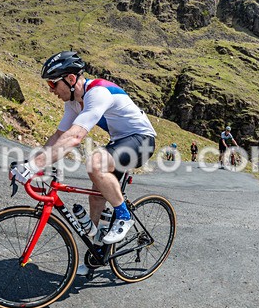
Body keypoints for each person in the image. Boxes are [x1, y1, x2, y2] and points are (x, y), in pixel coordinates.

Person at [9, 51, 157, 249]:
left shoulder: (97, 92)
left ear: (71, 79)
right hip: (120, 142)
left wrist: (35, 165)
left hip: (142, 140)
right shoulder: (72, 104)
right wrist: (30, 163)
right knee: (96, 198)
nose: (51, 90)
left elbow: (75, 137)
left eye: (53, 83)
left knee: (95, 162)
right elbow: (58, 137)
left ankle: (124, 216)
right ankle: (96, 252)